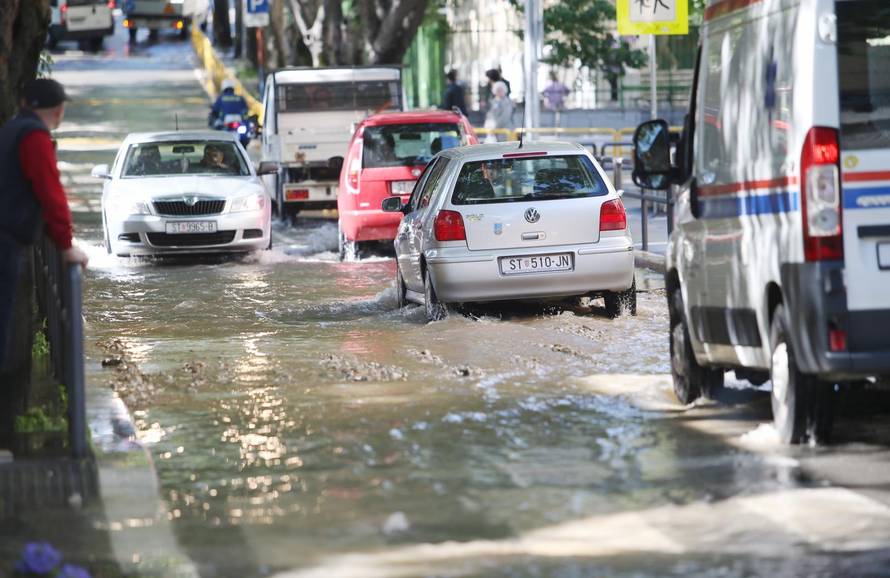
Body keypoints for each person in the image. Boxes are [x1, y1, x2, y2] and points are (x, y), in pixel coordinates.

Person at [0, 78, 88, 368]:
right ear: (59, 110)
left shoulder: (11, 129)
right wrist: (65, 246)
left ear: (25, 103)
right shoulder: (34, 137)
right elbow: (50, 192)